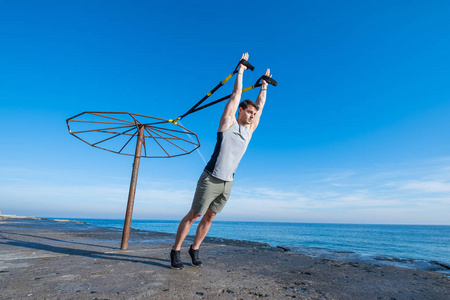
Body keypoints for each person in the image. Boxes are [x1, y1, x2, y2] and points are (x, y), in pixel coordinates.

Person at [170, 53, 272, 269]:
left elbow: (261, 107)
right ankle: (176, 250)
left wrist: (264, 86)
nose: (253, 116)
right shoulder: (228, 123)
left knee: (210, 217)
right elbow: (235, 94)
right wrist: (241, 70)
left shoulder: (250, 131)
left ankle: (194, 249)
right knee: (194, 215)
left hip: (228, 183)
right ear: (241, 111)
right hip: (211, 178)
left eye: (255, 113)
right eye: (250, 112)